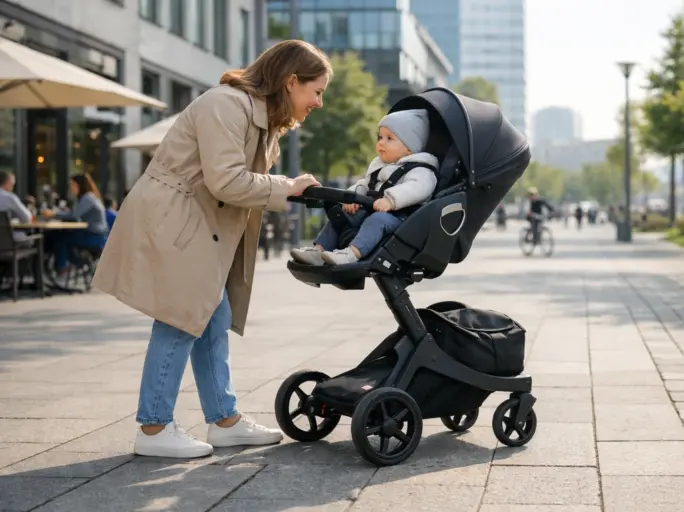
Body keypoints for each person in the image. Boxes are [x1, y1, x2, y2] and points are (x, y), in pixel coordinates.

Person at [91, 40, 329, 459]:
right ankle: (153, 426)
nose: (319, 103)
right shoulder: (227, 105)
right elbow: (225, 180)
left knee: (212, 315)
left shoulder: (259, 118)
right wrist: (285, 188)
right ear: (292, 82)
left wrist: (288, 189)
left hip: (196, 222)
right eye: (317, 90)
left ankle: (225, 420)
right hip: (178, 219)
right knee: (180, 317)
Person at [290, 109, 438, 266]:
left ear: (410, 148)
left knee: (377, 220)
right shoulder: (379, 165)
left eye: (390, 138)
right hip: (371, 212)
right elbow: (364, 184)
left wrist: (391, 200)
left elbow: (416, 189)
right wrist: (350, 196)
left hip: (401, 219)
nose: (381, 142)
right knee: (339, 216)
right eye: (380, 137)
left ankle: (351, 254)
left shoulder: (421, 170)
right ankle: (318, 251)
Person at [40, 174, 109, 276]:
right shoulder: (86, 197)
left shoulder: (87, 198)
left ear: (79, 185)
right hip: (93, 234)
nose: (70, 187)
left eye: (72, 184)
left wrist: (53, 214)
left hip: (95, 237)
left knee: (61, 239)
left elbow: (74, 215)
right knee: (58, 237)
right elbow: (75, 214)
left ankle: (63, 268)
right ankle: (74, 265)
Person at [0, 171, 33, 243]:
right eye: (13, 184)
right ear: (8, 183)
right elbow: (27, 218)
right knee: (34, 239)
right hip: (9, 242)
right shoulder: (9, 197)